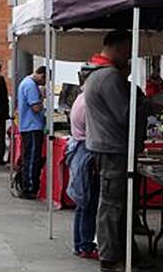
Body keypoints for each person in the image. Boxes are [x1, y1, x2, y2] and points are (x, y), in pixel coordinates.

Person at [82, 30, 151, 272]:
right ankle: (111, 259)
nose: (130, 58)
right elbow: (126, 115)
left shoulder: (95, 73)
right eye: (128, 51)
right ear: (119, 48)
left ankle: (119, 254)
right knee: (112, 206)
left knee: (115, 205)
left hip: (107, 147)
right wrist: (145, 106)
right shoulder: (109, 76)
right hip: (113, 149)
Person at [66, 89, 99, 260]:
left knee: (82, 203)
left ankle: (80, 243)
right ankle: (85, 244)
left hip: (80, 149)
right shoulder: (89, 103)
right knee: (88, 203)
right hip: (86, 152)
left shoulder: (81, 97)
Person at [15, 66, 47, 198]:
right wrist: (42, 100)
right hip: (32, 126)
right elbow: (35, 107)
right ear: (42, 75)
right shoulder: (31, 85)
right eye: (45, 79)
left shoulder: (26, 82)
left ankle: (28, 185)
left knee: (29, 156)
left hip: (29, 126)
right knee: (32, 158)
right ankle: (29, 187)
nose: (45, 83)